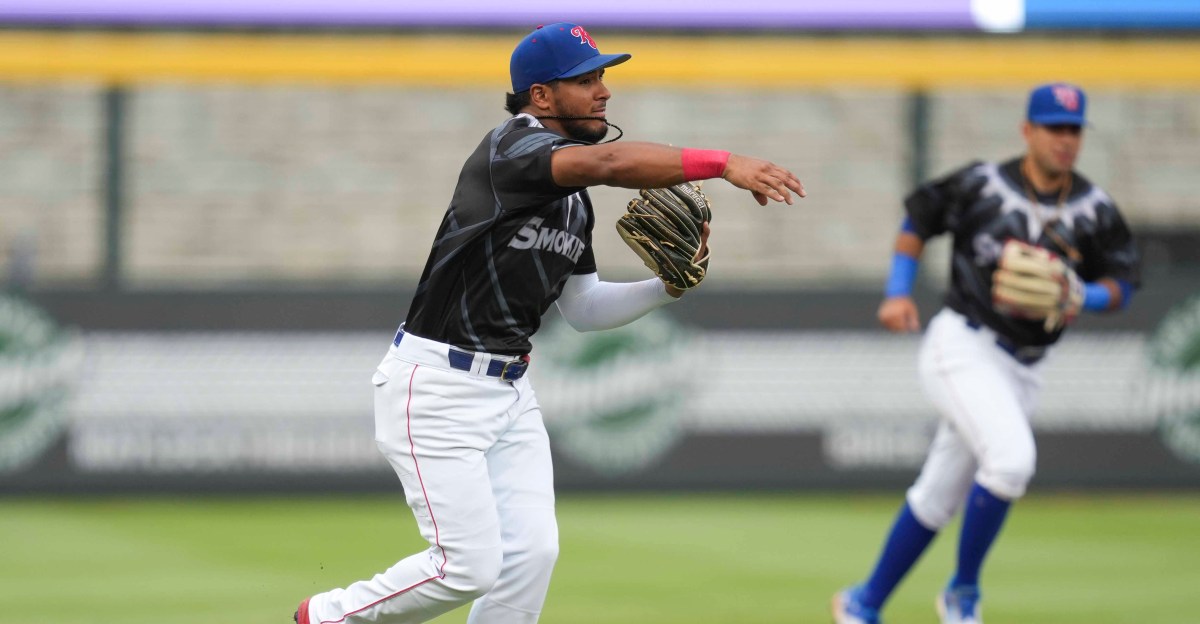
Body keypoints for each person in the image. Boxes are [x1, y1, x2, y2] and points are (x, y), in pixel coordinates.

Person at [294, 23, 805, 624]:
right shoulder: (511, 151)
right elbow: (612, 161)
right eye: (585, 80)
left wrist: (666, 287)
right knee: (467, 567)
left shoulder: (574, 200)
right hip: (436, 387)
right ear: (540, 95)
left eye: (603, 77)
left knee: (532, 554)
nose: (603, 91)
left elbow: (583, 310)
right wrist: (722, 163)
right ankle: (326, 617)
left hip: (510, 390)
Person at [832, 82, 1140, 624]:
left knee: (937, 497)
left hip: (1025, 368)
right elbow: (917, 221)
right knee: (1011, 461)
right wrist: (898, 290)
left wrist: (1084, 294)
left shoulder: (1093, 209)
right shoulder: (981, 183)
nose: (1064, 140)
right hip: (963, 345)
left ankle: (862, 603)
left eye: (1073, 130)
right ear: (1027, 130)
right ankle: (962, 592)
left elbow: (1124, 281)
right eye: (1053, 127)